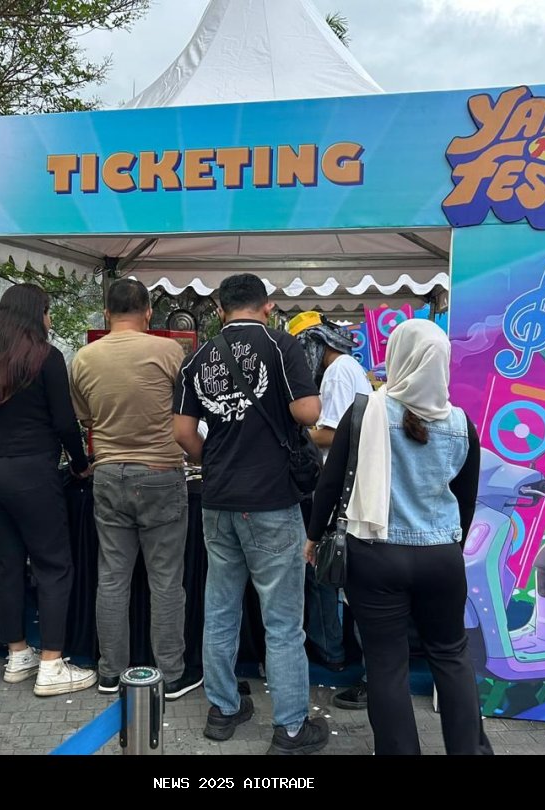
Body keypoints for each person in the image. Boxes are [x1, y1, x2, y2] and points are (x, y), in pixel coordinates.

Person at [306, 319, 493, 756]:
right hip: (441, 558)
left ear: (398, 358)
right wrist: (448, 548)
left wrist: (313, 536)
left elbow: (330, 484)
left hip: (375, 556)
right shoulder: (461, 423)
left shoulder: (364, 412)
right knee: (452, 657)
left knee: (387, 665)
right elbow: (465, 501)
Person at [173, 273, 329, 755]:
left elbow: (182, 433)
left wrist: (216, 461)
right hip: (272, 501)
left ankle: (223, 710)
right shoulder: (282, 347)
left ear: (220, 309)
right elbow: (308, 412)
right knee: (281, 620)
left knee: (220, 609)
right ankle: (290, 728)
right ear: (268, 306)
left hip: (218, 500)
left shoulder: (197, 357)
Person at [70, 279, 202, 701]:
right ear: (148, 312)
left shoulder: (84, 358)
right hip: (162, 472)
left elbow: (86, 417)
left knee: (112, 578)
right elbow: (189, 410)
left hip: (109, 472)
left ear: (106, 313)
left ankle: (110, 673)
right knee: (166, 581)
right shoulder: (170, 352)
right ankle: (172, 674)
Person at [0, 283, 97, 696]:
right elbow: (64, 423)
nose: (50, 318)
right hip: (31, 473)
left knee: (7, 563)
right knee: (52, 564)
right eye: (46, 311)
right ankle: (52, 665)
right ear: (34, 315)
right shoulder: (47, 357)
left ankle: (17, 654)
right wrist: (80, 463)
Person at [289, 311, 372, 675]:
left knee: (320, 569)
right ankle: (338, 645)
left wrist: (293, 431)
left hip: (336, 486)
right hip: (348, 485)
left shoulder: (338, 372)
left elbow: (334, 434)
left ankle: (329, 647)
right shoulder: (349, 368)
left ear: (316, 344)